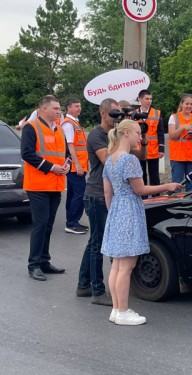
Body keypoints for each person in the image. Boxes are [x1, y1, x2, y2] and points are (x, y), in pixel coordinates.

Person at [102, 120, 181, 325]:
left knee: (117, 264)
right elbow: (140, 190)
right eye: (138, 133)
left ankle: (115, 310)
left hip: (117, 210)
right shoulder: (128, 160)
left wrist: (114, 214)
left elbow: (107, 193)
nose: (141, 137)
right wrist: (167, 186)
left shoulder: (110, 159)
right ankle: (123, 310)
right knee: (127, 266)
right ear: (126, 133)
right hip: (129, 208)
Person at [76, 98, 147, 306]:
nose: (118, 118)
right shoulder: (97, 135)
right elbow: (110, 161)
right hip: (97, 194)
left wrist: (140, 139)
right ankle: (97, 290)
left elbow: (140, 156)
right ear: (103, 114)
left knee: (96, 242)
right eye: (115, 114)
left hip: (110, 195)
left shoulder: (119, 138)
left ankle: (83, 284)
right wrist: (124, 134)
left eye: (120, 115)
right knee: (98, 243)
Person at [21, 95, 69, 281]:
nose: (59, 112)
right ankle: (33, 265)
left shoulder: (59, 130)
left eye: (59, 109)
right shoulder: (31, 127)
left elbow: (64, 153)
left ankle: (44, 261)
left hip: (55, 184)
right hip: (38, 185)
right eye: (56, 109)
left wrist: (66, 165)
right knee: (40, 224)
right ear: (43, 109)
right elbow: (27, 154)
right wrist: (51, 167)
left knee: (48, 225)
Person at [61, 97, 88, 234]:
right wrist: (77, 164)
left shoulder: (74, 123)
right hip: (76, 166)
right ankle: (72, 223)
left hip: (79, 165)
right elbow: (70, 145)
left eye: (80, 106)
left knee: (73, 194)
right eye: (76, 106)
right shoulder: (69, 124)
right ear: (69, 108)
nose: (79, 108)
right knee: (80, 194)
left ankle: (72, 221)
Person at [168, 94, 192, 192]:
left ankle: (190, 206)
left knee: (191, 184)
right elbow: (172, 136)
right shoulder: (174, 117)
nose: (189, 106)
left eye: (191, 104)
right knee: (177, 184)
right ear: (182, 104)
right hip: (177, 156)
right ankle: (175, 205)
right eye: (187, 103)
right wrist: (183, 127)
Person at [131, 89, 165, 190]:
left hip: (153, 150)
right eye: (146, 99)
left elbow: (160, 132)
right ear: (140, 99)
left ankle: (156, 197)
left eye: (150, 99)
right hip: (139, 150)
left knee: (154, 176)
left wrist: (161, 148)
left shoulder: (157, 113)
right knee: (141, 175)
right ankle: (143, 198)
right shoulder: (133, 114)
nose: (149, 101)